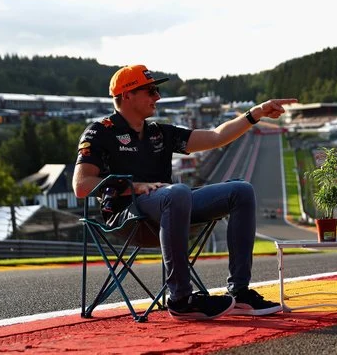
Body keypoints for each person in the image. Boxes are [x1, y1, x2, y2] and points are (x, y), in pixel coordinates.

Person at [72, 64, 297, 320]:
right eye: (150, 90)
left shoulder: (159, 132)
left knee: (241, 191)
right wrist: (134, 187)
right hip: (128, 215)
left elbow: (214, 137)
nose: (157, 96)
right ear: (127, 95)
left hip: (170, 207)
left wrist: (255, 114)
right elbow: (81, 186)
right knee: (177, 192)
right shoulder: (99, 131)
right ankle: (180, 299)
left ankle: (240, 292)